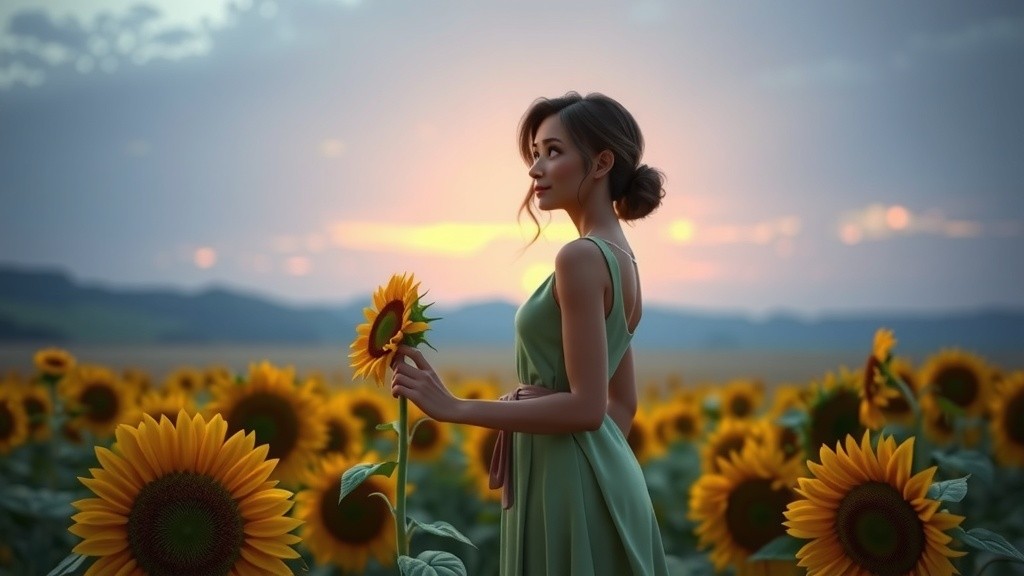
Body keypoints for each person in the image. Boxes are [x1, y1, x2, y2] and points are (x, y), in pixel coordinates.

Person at [390, 91, 670, 576]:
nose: (535, 168)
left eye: (554, 152)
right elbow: (620, 408)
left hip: (565, 489)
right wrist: (559, 445)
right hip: (604, 484)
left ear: (601, 162)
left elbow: (587, 408)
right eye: (535, 154)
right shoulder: (626, 262)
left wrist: (456, 408)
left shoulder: (579, 258)